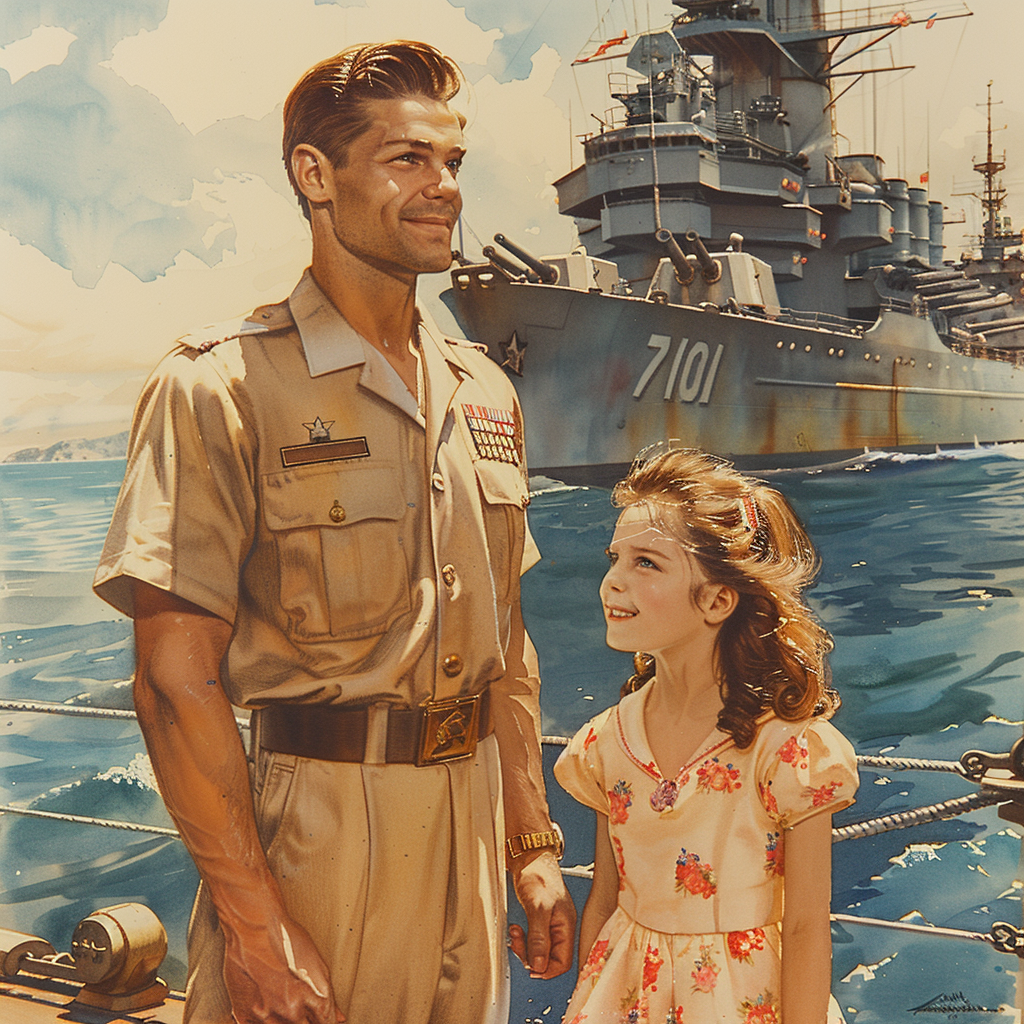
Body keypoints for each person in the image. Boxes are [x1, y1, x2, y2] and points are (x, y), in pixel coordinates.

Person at [93, 39, 575, 1024]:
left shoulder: (483, 389)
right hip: (316, 833)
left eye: (452, 164)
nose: (442, 187)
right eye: (407, 160)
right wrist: (256, 923)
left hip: (469, 823)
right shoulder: (219, 385)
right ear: (315, 174)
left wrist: (531, 846)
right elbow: (174, 680)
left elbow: (507, 646)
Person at [553, 445, 859, 1024]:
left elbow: (805, 925)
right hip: (622, 996)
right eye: (614, 558)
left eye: (646, 563)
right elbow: (605, 901)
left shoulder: (788, 749)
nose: (611, 583)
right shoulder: (605, 742)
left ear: (718, 599)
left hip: (743, 1000)